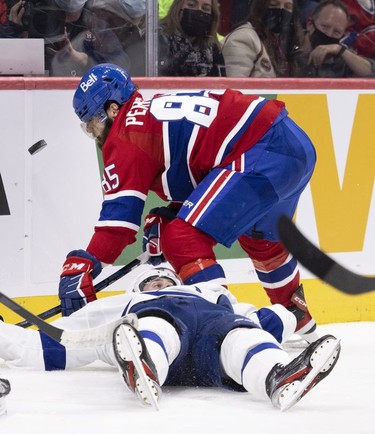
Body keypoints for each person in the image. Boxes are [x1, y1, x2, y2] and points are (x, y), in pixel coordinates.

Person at [59, 62, 318, 345]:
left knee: (182, 237)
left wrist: (86, 263)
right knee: (260, 239)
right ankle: (296, 316)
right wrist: (172, 212)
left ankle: (225, 330)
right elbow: (205, 165)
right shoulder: (152, 112)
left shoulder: (126, 135)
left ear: (111, 110)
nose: (94, 134)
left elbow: (118, 225)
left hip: (261, 148)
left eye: (92, 123)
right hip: (291, 144)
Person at [0, 268, 341, 411]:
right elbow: (60, 343)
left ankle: (277, 378)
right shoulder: (124, 304)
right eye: (152, 282)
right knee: (155, 327)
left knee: (242, 338)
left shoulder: (211, 292)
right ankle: (145, 368)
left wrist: (285, 316)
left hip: (214, 335)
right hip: (155, 329)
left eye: (165, 279)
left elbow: (256, 318)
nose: (160, 283)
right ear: (138, 288)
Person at [221, 0, 305, 77]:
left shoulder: (285, 45)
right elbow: (235, 89)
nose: (281, 10)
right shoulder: (242, 39)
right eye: (274, 5)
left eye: (288, 7)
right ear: (260, 7)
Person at [297, 0, 375, 77]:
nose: (329, 34)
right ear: (310, 24)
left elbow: (371, 71)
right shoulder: (290, 45)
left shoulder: (341, 56)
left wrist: (340, 50)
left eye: (336, 32)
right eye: (325, 27)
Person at [158, 0, 226, 76]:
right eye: (191, 5)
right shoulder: (157, 39)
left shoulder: (212, 46)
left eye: (205, 8)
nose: (198, 10)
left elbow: (221, 84)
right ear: (178, 8)